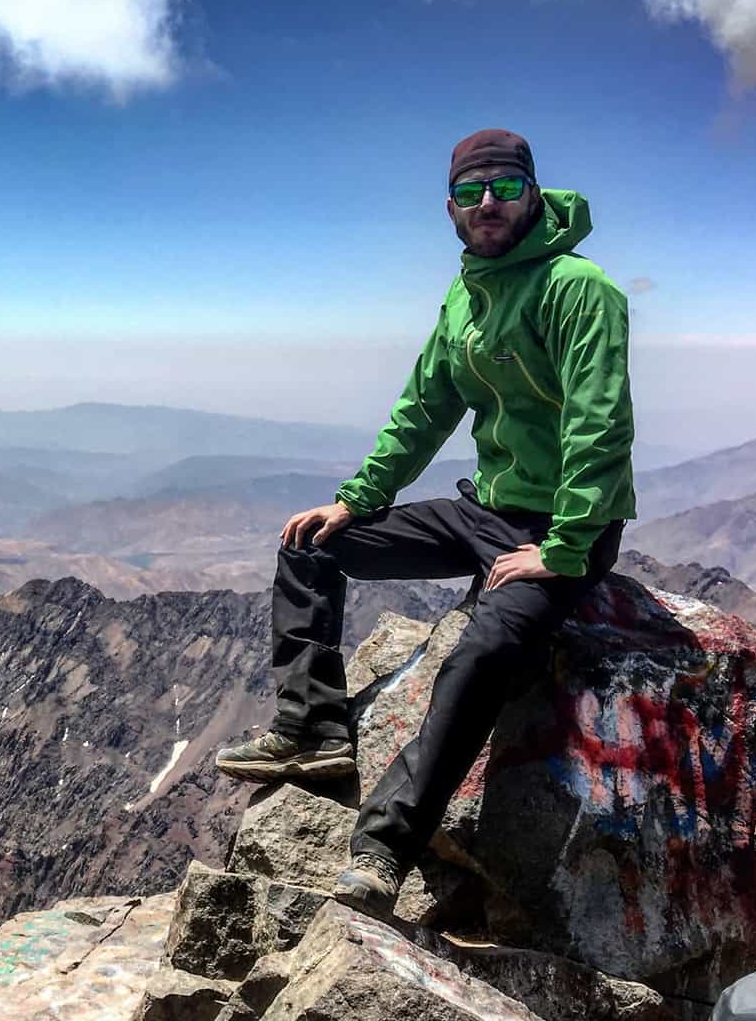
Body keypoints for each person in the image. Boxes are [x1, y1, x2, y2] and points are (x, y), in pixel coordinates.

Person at [213, 128, 636, 915]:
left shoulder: (580, 289)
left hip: (561, 529)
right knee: (310, 544)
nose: (488, 203)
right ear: (449, 207)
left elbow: (599, 424)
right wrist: (358, 499)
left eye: (506, 188)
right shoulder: (466, 294)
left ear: (534, 194)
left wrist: (566, 547)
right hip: (484, 510)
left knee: (486, 650)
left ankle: (384, 846)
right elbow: (425, 405)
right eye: (473, 191)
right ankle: (314, 729)